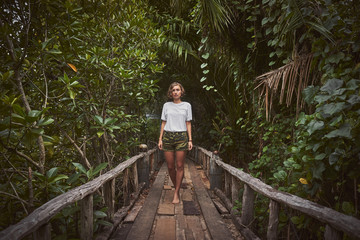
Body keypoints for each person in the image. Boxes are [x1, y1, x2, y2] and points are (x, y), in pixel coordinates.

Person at [158, 82, 193, 204]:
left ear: (181, 92)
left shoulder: (187, 105)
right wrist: (160, 139)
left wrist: (190, 140)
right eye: (173, 90)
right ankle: (177, 186)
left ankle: (176, 192)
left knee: (179, 166)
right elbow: (163, 122)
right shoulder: (166, 105)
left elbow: (188, 123)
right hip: (168, 135)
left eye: (178, 90)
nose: (175, 92)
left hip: (181, 136)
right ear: (171, 93)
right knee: (170, 166)